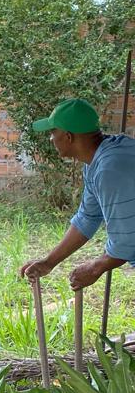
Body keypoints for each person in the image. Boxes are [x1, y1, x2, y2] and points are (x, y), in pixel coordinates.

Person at [20, 98, 135, 290]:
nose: (50, 139)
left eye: (52, 132)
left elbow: (126, 241)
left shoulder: (110, 168)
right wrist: (49, 262)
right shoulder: (96, 163)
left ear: (68, 136)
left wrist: (96, 268)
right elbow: (87, 218)